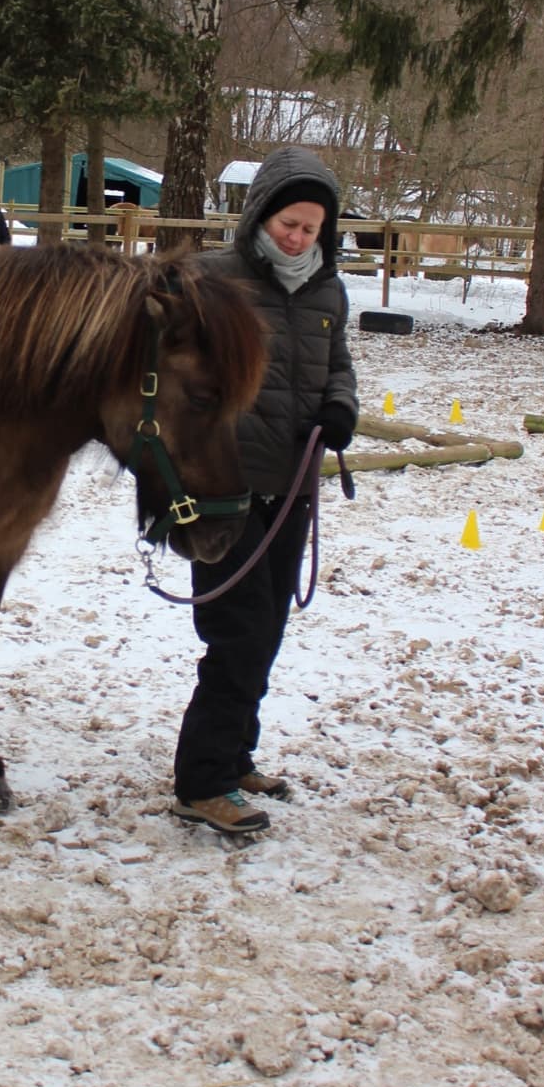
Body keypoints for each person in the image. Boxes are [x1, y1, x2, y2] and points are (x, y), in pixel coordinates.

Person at [172, 147, 358, 839]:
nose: (296, 237)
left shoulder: (326, 289)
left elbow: (338, 364)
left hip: (291, 482)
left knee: (268, 627)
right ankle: (202, 781)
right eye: (288, 222)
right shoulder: (213, 279)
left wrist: (340, 408)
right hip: (225, 485)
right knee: (237, 630)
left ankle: (234, 753)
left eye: (310, 228)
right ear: (261, 215)